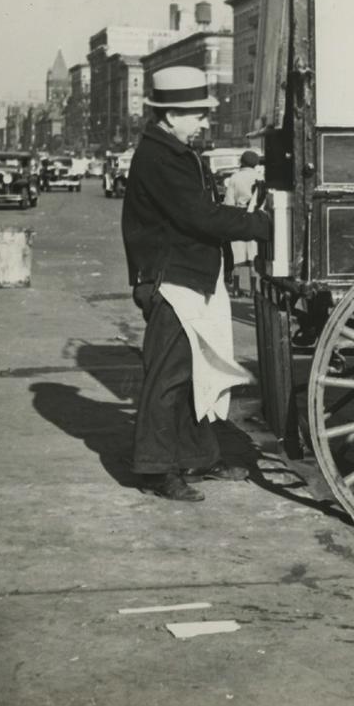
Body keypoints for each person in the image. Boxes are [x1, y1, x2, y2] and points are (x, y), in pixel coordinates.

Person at [121, 66, 271, 502]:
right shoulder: (161, 157)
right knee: (167, 378)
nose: (204, 122)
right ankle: (155, 469)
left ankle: (197, 457)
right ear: (171, 115)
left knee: (194, 373)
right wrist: (263, 225)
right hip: (172, 280)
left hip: (187, 275)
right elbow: (199, 216)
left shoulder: (170, 149)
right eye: (197, 114)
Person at [223, 150, 263, 288]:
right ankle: (253, 288)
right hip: (256, 217)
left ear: (242, 162)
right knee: (253, 254)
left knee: (238, 255)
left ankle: (237, 287)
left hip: (238, 216)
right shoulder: (260, 177)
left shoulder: (235, 178)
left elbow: (229, 202)